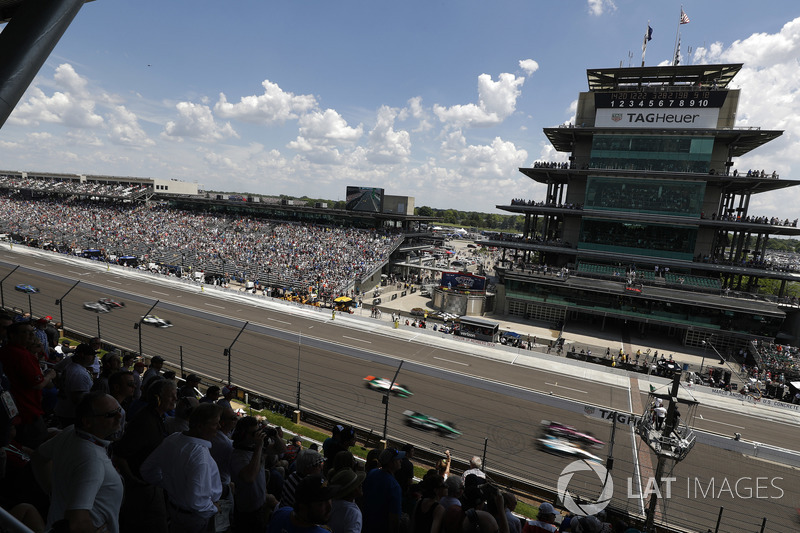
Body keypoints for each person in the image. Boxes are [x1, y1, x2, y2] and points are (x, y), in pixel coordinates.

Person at [33, 391, 124, 533]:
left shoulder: (70, 432)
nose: (120, 416)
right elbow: (77, 522)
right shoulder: (92, 461)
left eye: (119, 410)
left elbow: (38, 457)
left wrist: (51, 490)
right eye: (110, 414)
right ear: (87, 422)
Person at [140, 402, 224, 533]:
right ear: (200, 426)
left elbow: (147, 470)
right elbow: (197, 502)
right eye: (215, 424)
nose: (219, 427)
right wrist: (214, 508)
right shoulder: (200, 456)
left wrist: (170, 484)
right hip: (195, 518)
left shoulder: (173, 439)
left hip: (175, 510)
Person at [0, 321, 57, 448]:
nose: (31, 335)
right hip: (28, 411)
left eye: (32, 332)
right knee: (37, 445)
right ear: (13, 336)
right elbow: (38, 384)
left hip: (17, 409)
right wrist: (50, 376)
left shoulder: (5, 350)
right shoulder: (23, 356)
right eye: (26, 332)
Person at [267, 474, 338, 533]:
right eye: (321, 503)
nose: (329, 507)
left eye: (330, 499)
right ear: (302, 506)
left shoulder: (281, 513)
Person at [361, 447, 405, 533]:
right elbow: (394, 518)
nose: (401, 461)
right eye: (398, 459)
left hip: (365, 523)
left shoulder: (372, 473)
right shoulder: (394, 486)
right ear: (391, 463)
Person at [328, 468, 366, 533]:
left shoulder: (331, 503)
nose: (360, 484)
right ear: (350, 490)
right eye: (357, 484)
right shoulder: (353, 513)